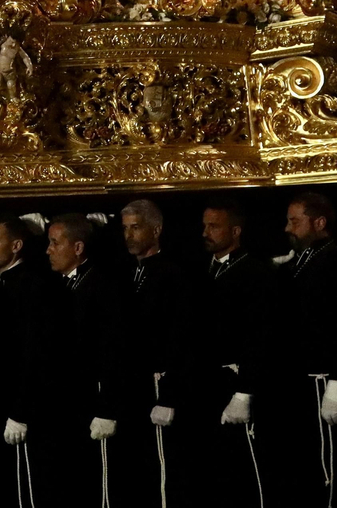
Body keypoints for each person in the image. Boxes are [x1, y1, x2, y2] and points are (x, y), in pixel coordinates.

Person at [270, 192, 337, 508]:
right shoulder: (303, 260)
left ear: (319, 222)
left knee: (331, 467)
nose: (288, 227)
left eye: (295, 221)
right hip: (303, 380)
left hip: (323, 379)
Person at [114, 198, 197, 507]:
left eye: (136, 228)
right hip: (134, 386)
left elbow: (182, 337)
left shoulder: (174, 274)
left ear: (156, 230)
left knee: (167, 474)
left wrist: (170, 396)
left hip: (160, 384)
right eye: (125, 229)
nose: (129, 236)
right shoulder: (128, 273)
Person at [0, 214, 57, 508]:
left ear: (16, 245)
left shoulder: (33, 287)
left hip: (21, 410)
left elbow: (36, 354)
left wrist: (21, 411)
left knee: (27, 492)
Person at [197, 197, 274, 508]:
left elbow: (261, 336)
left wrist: (245, 392)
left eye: (214, 226)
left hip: (238, 383)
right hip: (207, 384)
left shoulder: (256, 272)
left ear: (236, 231)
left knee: (247, 470)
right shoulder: (203, 271)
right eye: (204, 226)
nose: (206, 232)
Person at [46, 213, 122, 507]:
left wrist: (108, 408)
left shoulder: (103, 286)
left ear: (78, 248)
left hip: (93, 404)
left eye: (55, 243)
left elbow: (114, 350)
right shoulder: (57, 286)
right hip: (67, 406)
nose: (49, 250)